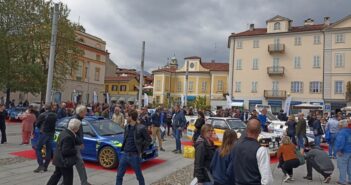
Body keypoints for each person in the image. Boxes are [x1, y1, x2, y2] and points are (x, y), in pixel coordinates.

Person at [232, 119, 273, 185]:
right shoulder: (261, 150)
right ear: (259, 131)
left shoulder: (236, 145)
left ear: (246, 130)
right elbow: (267, 179)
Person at [116, 109, 152, 185]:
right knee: (119, 175)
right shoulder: (126, 127)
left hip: (134, 156)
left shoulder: (141, 128)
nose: (126, 118)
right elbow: (125, 139)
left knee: (139, 176)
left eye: (127, 117)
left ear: (131, 117)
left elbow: (149, 140)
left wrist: (141, 150)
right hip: (125, 154)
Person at [46, 119, 81, 185]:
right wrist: (75, 150)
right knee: (68, 180)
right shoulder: (69, 137)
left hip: (58, 158)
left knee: (56, 175)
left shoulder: (64, 132)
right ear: (76, 128)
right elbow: (65, 151)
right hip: (64, 162)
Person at [34, 104, 57, 173]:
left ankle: (41, 164)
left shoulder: (43, 115)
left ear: (45, 108)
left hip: (44, 133)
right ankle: (45, 166)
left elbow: (37, 124)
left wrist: (40, 128)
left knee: (38, 148)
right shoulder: (55, 115)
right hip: (51, 133)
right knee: (49, 149)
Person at [334, 119, 351, 185]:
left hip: (344, 151)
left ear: (341, 125)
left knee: (342, 166)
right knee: (350, 166)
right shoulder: (349, 131)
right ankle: (350, 180)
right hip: (350, 151)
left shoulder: (341, 132)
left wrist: (338, 150)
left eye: (339, 125)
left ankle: (342, 180)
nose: (338, 126)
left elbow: (340, 142)